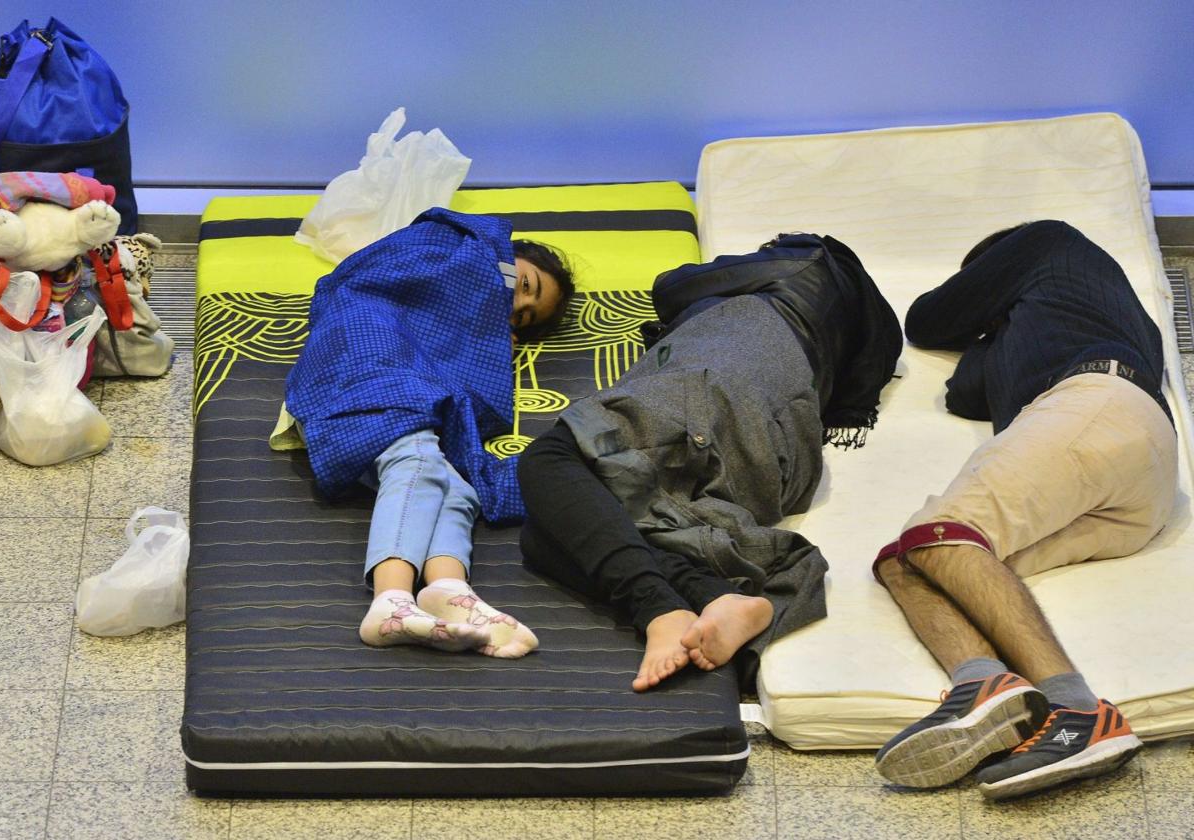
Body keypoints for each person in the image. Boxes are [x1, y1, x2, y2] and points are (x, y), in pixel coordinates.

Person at [872, 220, 1177, 800]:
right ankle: (983, 687)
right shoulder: (1065, 319)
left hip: (1097, 407)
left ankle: (1078, 709)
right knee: (905, 561)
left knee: (940, 535)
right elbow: (964, 392)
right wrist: (1001, 328)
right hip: (1138, 486)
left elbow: (926, 320)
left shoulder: (1048, 241)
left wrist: (981, 297)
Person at [517, 232, 903, 691]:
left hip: (719, 390)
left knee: (550, 455)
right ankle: (716, 595)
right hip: (773, 454)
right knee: (548, 535)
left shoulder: (797, 265)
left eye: (523, 286)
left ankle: (659, 609)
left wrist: (765, 256)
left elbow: (673, 286)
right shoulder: (816, 333)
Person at [284, 209, 574, 658]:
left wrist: (487, 339)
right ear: (508, 255)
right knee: (417, 458)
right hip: (363, 340)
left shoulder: (492, 319)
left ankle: (448, 591)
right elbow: (368, 277)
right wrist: (483, 314)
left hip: (413, 374)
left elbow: (460, 358)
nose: (513, 306)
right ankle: (391, 601)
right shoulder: (451, 243)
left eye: (523, 318)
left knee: (456, 485)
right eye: (524, 286)